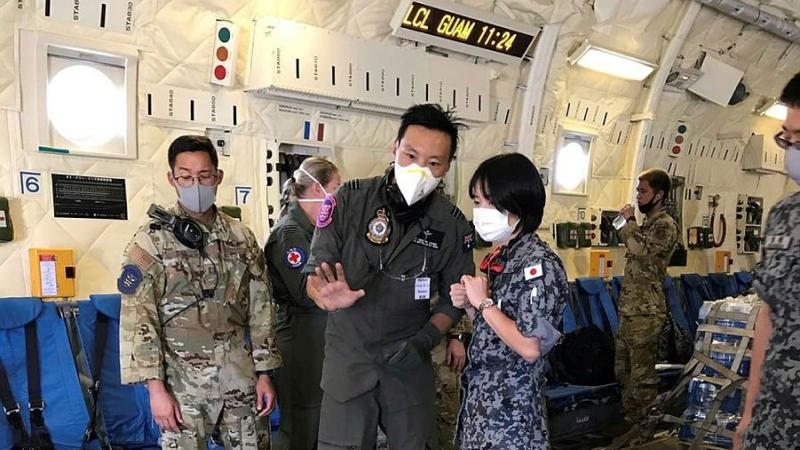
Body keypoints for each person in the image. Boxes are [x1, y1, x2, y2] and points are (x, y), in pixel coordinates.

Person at [303, 103, 475, 449]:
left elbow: (455, 298)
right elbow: (313, 275)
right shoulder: (348, 202)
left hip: (408, 370)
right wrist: (323, 295)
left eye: (433, 163)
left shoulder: (452, 225)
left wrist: (425, 339)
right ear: (395, 148)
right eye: (411, 155)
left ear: (446, 167)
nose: (419, 169)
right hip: (349, 366)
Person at [118, 135, 281, 450]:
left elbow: (262, 308)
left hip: (240, 379)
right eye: (186, 177)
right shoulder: (151, 242)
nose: (196, 184)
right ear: (172, 179)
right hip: (182, 388)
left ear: (218, 177)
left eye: (204, 176)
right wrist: (156, 390)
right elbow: (138, 317)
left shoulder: (241, 237)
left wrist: (264, 373)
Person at [450, 153, 567, 449]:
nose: (477, 210)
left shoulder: (538, 267)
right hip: (482, 410)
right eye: (475, 201)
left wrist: (484, 303)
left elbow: (530, 347)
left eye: (483, 201)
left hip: (511, 421)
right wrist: (471, 306)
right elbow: (496, 335)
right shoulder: (502, 259)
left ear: (513, 203)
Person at [734, 72, 800, 450]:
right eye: (786, 137)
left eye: (799, 138)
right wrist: (749, 414)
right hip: (775, 422)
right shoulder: (784, 215)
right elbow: (769, 315)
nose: (791, 149)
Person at [265, 157, 341, 450]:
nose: (339, 196)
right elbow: (306, 292)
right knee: (300, 426)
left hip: (318, 337)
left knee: (317, 423)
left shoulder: (314, 230)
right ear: (318, 189)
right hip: (300, 340)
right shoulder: (291, 234)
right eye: (336, 188)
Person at [614, 168, 678, 425]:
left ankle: (643, 429)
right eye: (637, 191)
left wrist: (629, 223)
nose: (638, 197)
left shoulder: (665, 226)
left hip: (647, 312)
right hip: (630, 309)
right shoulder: (646, 226)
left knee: (641, 378)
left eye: (644, 191)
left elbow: (641, 250)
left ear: (659, 195)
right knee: (624, 372)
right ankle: (630, 423)